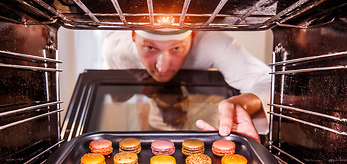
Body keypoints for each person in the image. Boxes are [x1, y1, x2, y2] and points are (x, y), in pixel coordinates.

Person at [102, 29, 271, 143]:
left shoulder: (212, 44)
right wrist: (139, 88)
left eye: (176, 48)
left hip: (202, 112)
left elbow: (263, 81)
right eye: (150, 47)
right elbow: (115, 96)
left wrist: (241, 104)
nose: (163, 68)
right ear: (133, 36)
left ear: (192, 36)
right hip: (154, 114)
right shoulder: (117, 50)